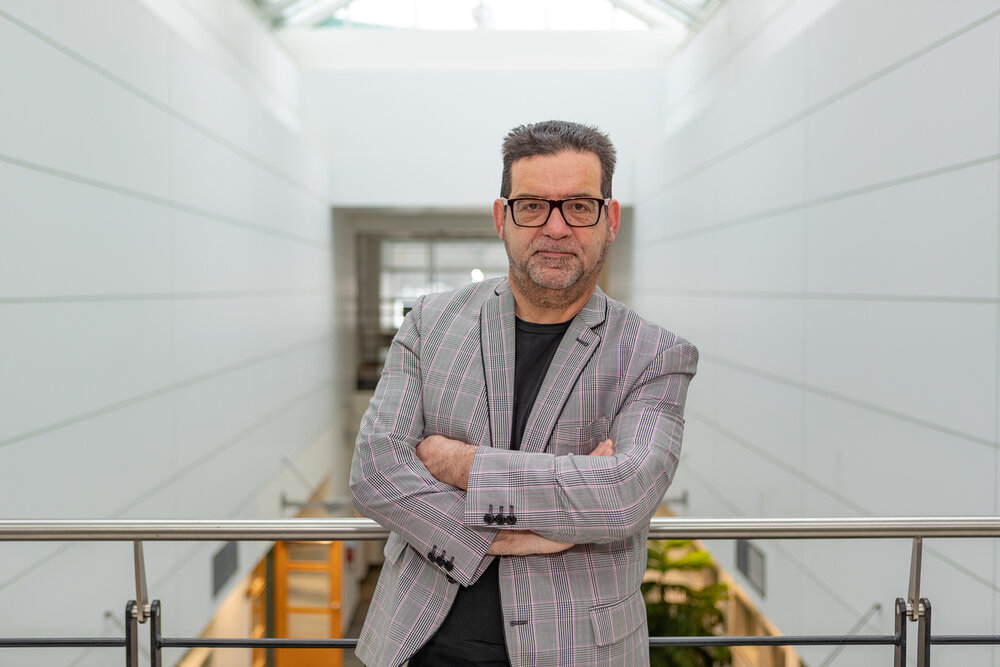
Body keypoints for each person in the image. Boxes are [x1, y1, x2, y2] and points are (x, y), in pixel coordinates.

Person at [350, 120, 698, 666]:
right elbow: (374, 472)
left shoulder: (655, 354)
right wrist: (524, 534)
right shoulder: (430, 324)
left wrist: (463, 466)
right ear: (501, 217)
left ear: (610, 219)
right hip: (415, 646)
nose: (555, 228)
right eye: (532, 206)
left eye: (579, 207)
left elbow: (624, 494)